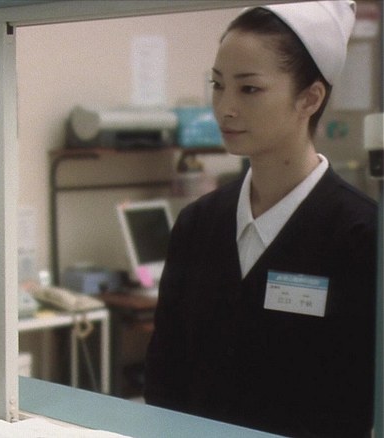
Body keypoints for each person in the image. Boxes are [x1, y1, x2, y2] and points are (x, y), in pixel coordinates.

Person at [144, 2, 377, 437]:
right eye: (218, 85)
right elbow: (164, 377)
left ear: (310, 98)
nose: (225, 108)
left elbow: (361, 400)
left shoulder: (362, 236)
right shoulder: (197, 225)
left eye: (249, 89)